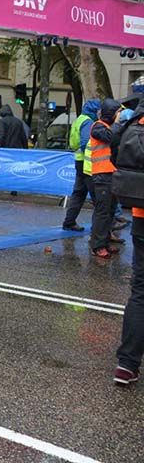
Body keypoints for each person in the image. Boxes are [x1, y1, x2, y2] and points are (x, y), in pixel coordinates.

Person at [113, 110, 144, 385]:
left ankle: (127, 364)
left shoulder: (133, 123)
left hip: (141, 214)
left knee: (141, 290)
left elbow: (116, 155)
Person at [87, 98, 122, 259]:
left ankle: (104, 242)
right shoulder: (98, 127)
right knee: (102, 212)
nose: (119, 115)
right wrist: (118, 124)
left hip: (111, 174)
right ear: (111, 113)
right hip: (102, 175)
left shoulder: (109, 127)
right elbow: (111, 138)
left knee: (109, 211)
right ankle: (97, 246)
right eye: (118, 112)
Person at [61, 99, 101, 231]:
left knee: (79, 193)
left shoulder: (79, 119)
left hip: (79, 160)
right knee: (98, 198)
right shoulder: (88, 122)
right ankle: (102, 230)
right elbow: (85, 142)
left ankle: (69, 222)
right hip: (86, 162)